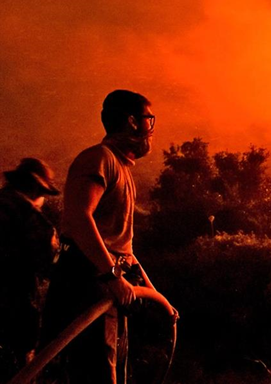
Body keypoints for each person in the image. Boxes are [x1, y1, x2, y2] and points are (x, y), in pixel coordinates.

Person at [41, 89, 162, 384]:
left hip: (107, 281)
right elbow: (79, 218)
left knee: (111, 366)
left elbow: (121, 245)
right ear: (133, 121)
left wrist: (154, 292)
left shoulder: (121, 168)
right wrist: (111, 276)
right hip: (86, 280)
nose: (151, 129)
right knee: (94, 371)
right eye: (149, 120)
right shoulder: (98, 159)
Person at [0, 158, 60, 381]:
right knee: (21, 371)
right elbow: (48, 268)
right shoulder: (34, 222)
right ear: (36, 188)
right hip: (15, 312)